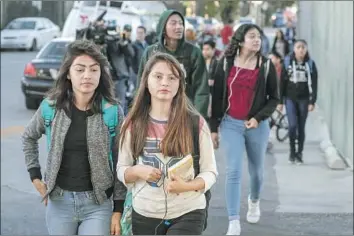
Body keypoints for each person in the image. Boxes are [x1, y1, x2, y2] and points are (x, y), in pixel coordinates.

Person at [22, 40, 126, 235]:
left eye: (94, 70)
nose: (87, 75)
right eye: (80, 69)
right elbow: (28, 137)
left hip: (98, 204)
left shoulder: (112, 111)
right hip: (59, 202)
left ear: (101, 74)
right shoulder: (51, 107)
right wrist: (35, 175)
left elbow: (123, 160)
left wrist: (118, 209)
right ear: (68, 74)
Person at [117, 52, 218, 235]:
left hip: (189, 209)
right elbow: (121, 168)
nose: (165, 82)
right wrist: (137, 171)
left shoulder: (196, 123)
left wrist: (187, 186)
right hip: (145, 211)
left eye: (172, 78)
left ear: (179, 85)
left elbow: (210, 171)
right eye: (158, 76)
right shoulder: (132, 124)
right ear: (146, 81)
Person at [210, 24, 279, 235]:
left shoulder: (265, 66)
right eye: (252, 36)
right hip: (231, 124)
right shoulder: (225, 64)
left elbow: (274, 98)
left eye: (259, 37)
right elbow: (218, 97)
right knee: (233, 171)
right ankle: (233, 221)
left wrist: (258, 118)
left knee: (257, 172)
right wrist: (214, 128)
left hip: (256, 126)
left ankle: (254, 200)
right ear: (240, 40)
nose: (257, 40)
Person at [137, 10, 210, 118]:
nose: (179, 27)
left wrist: (197, 118)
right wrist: (140, 113)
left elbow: (201, 89)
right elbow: (141, 85)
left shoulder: (194, 53)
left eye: (181, 23)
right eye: (173, 23)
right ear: (163, 26)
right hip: (155, 113)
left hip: (184, 113)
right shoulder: (151, 52)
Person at [278, 39, 318, 164]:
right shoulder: (287, 62)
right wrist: (280, 101)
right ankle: (292, 152)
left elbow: (315, 84)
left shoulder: (310, 64)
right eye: (298, 47)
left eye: (303, 47)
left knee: (301, 127)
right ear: (294, 49)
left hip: (304, 99)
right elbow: (282, 83)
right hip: (290, 98)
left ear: (306, 50)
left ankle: (299, 153)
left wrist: (312, 101)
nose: (301, 50)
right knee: (292, 126)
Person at [107, 24, 135, 113]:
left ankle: (120, 124)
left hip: (122, 77)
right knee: (110, 104)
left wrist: (123, 42)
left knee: (121, 104)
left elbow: (131, 54)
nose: (127, 33)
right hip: (110, 78)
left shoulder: (123, 42)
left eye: (129, 31)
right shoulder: (107, 42)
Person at [202, 40, 218, 118]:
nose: (205, 51)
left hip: (212, 93)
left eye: (207, 49)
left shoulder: (217, 63)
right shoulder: (201, 62)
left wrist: (212, 81)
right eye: (204, 49)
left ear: (213, 50)